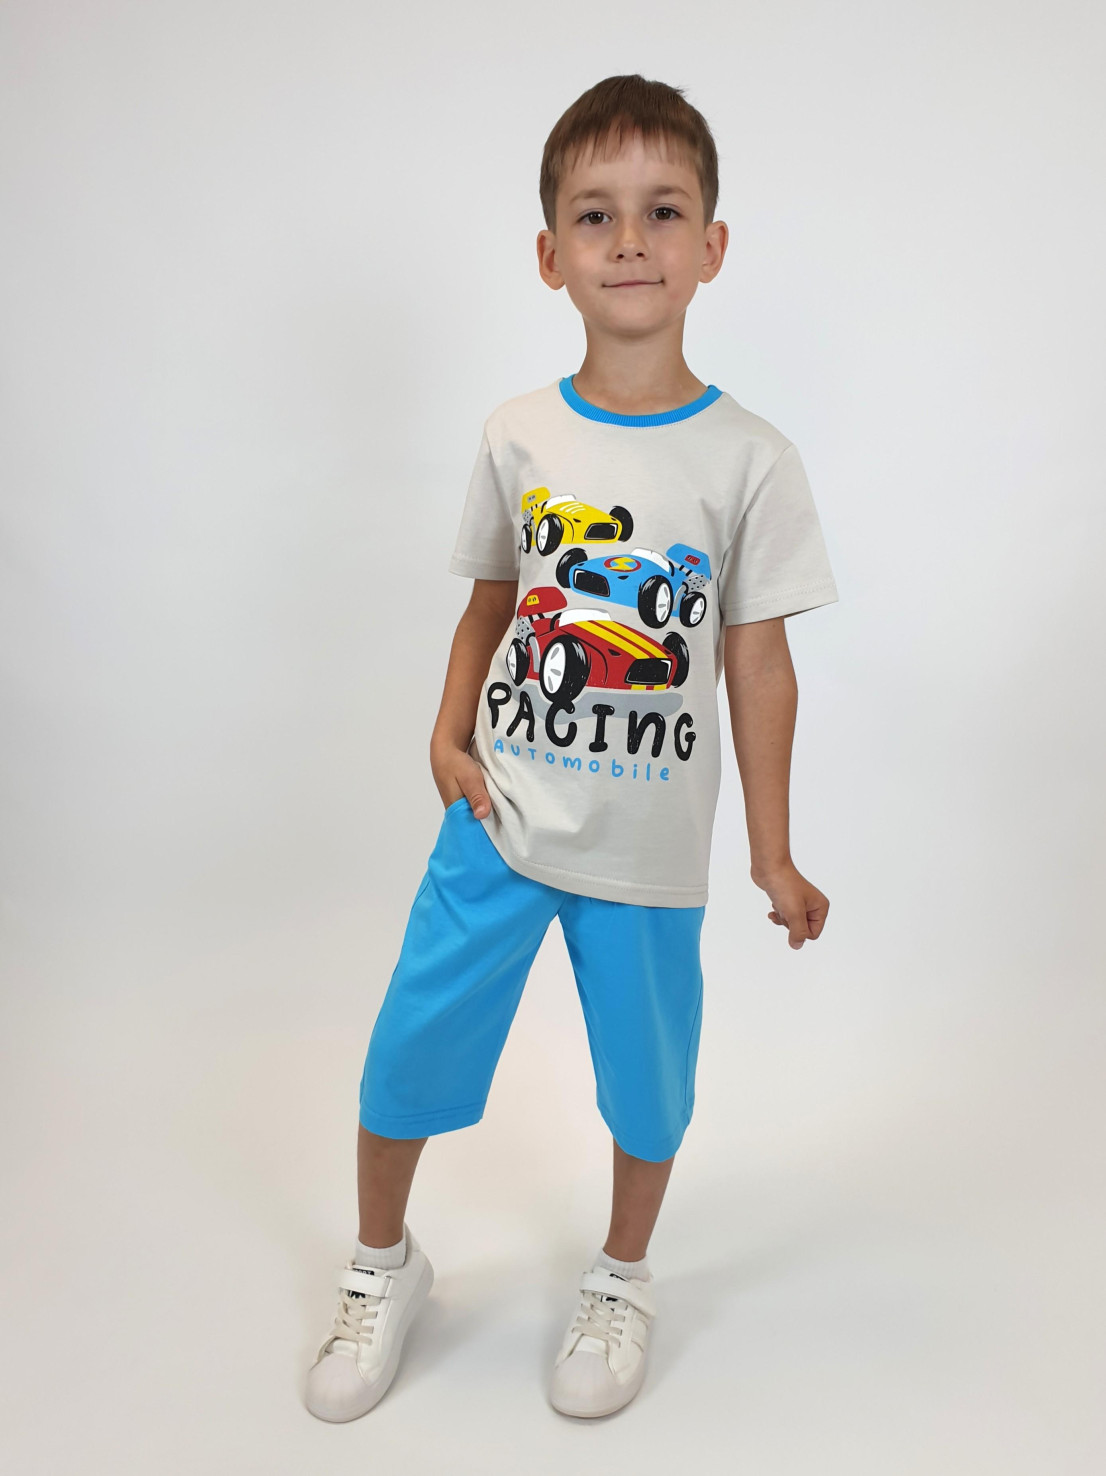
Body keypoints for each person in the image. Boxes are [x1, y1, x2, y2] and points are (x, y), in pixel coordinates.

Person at [305, 72, 839, 1423]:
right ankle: (382, 1265)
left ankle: (621, 1275)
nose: (630, 240)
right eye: (596, 215)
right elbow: (490, 608)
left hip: (649, 846)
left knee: (649, 1088)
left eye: (663, 211)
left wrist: (772, 853)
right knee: (409, 1045)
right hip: (500, 819)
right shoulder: (518, 434)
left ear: (712, 245)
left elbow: (757, 664)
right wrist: (444, 735)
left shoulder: (750, 460)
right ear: (550, 255)